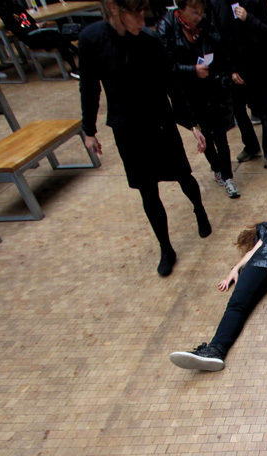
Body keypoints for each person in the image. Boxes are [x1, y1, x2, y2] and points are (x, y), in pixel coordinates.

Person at [79, 0, 212, 277]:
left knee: (183, 175)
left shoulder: (150, 40)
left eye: (143, 13)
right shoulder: (92, 39)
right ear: (115, 9)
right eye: (135, 14)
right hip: (127, 128)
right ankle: (166, 247)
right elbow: (89, 85)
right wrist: (88, 129)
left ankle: (199, 209)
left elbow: (171, 83)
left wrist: (191, 124)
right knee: (147, 189)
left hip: (160, 122)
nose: (142, 20)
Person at [170, 201, 267, 371]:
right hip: (258, 264)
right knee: (237, 304)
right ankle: (214, 350)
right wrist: (236, 269)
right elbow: (254, 250)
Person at [156, 0, 240, 198]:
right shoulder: (166, 26)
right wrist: (191, 70)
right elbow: (166, 67)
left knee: (221, 135)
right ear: (181, 10)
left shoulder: (206, 23)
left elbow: (220, 47)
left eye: (201, 12)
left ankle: (228, 177)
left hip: (212, 87)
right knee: (206, 137)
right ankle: (217, 169)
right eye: (194, 12)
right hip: (189, 93)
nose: (198, 17)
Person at [211, 0, 267, 168]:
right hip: (235, 69)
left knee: (264, 110)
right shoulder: (218, 5)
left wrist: (249, 19)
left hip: (259, 66)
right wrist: (231, 70)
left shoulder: (256, 2)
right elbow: (219, 40)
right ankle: (251, 146)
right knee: (239, 110)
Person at [0, 0, 80, 79]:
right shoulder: (4, 13)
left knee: (59, 35)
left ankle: (79, 60)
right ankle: (74, 68)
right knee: (58, 40)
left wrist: (38, 26)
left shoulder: (17, 7)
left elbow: (31, 21)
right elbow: (18, 31)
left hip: (36, 32)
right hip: (30, 38)